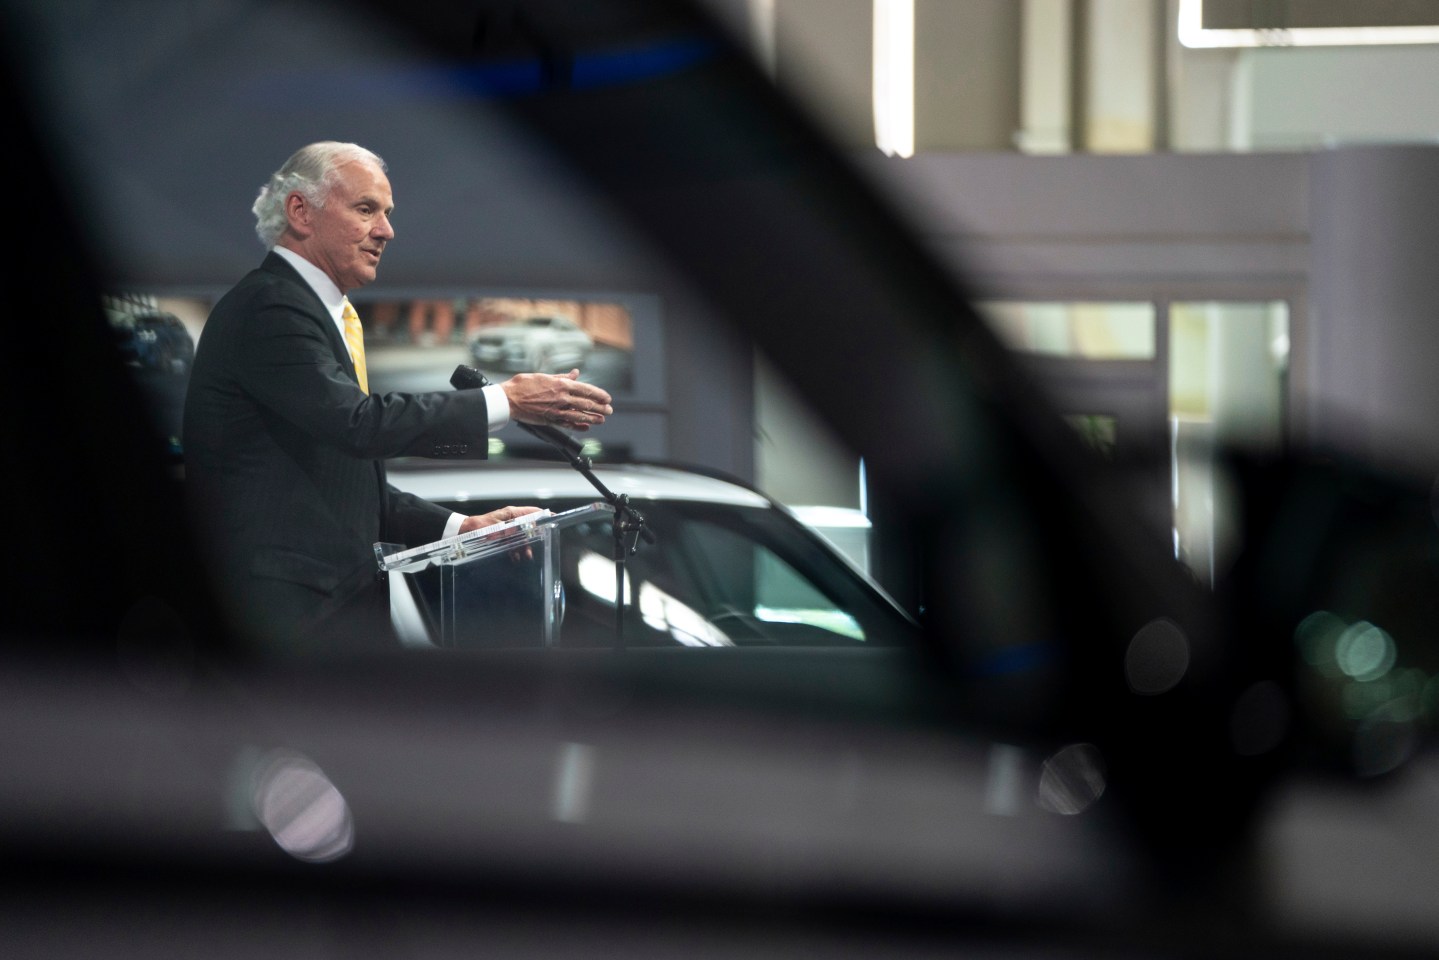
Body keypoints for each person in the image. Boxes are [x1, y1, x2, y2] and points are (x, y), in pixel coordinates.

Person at [183, 141, 613, 655]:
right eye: (366, 209)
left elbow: (349, 482)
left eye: (386, 214)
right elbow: (359, 425)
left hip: (323, 615)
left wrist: (461, 526)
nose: (386, 231)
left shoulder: (317, 313)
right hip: (283, 618)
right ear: (300, 211)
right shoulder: (270, 307)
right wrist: (506, 400)